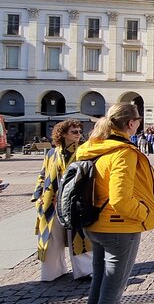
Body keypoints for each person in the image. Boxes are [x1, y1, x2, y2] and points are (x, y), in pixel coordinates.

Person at [76, 103, 154, 304]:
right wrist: (145, 213)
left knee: (99, 283)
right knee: (113, 290)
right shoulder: (123, 152)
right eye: (138, 120)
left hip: (94, 223)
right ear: (131, 123)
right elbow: (120, 198)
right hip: (118, 227)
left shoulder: (93, 147)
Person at [31, 119, 92, 281]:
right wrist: (38, 196)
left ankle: (84, 271)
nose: (79, 134)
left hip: (74, 201)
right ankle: (52, 272)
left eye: (80, 131)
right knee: (51, 237)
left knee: (78, 234)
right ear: (63, 134)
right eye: (74, 132)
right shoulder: (52, 153)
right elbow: (43, 175)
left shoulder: (84, 151)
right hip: (51, 201)